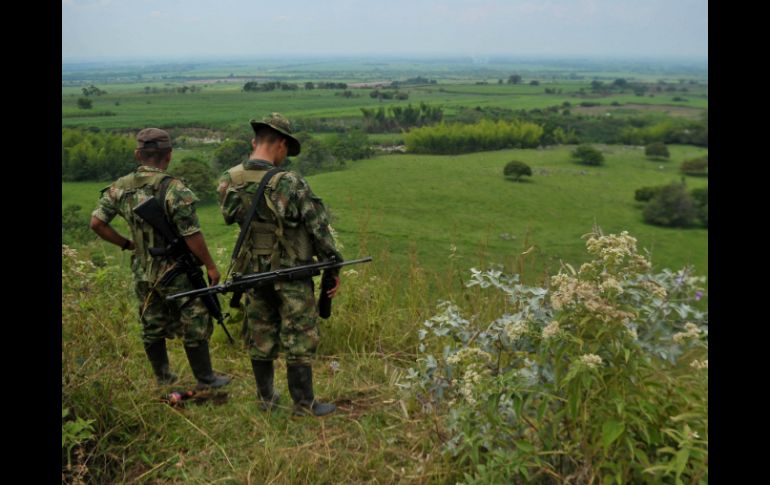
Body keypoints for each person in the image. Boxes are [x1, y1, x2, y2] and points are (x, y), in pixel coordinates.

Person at [217, 113, 342, 416]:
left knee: (260, 333)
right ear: (281, 145)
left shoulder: (228, 181)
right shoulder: (290, 183)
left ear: (254, 142)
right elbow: (319, 229)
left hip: (252, 274)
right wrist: (332, 264)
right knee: (299, 335)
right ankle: (303, 403)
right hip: (292, 273)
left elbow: (233, 218)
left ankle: (266, 400)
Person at [90, 128, 232, 390]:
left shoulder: (119, 187)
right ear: (168, 156)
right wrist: (211, 266)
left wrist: (128, 244)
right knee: (196, 316)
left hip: (143, 269)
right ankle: (205, 378)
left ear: (137, 154)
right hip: (176, 269)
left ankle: (164, 379)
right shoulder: (174, 188)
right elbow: (192, 235)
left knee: (151, 321)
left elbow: (97, 223)